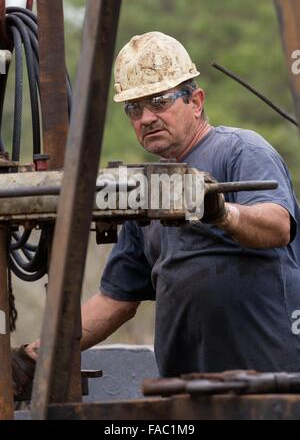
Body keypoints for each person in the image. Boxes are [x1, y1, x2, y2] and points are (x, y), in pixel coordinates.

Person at [12, 31, 300, 400]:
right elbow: (117, 300)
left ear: (195, 101)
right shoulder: (148, 189)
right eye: (134, 108)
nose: (146, 118)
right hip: (189, 392)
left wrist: (219, 211)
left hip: (273, 384)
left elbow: (277, 225)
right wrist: (41, 352)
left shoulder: (239, 149)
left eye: (159, 102)